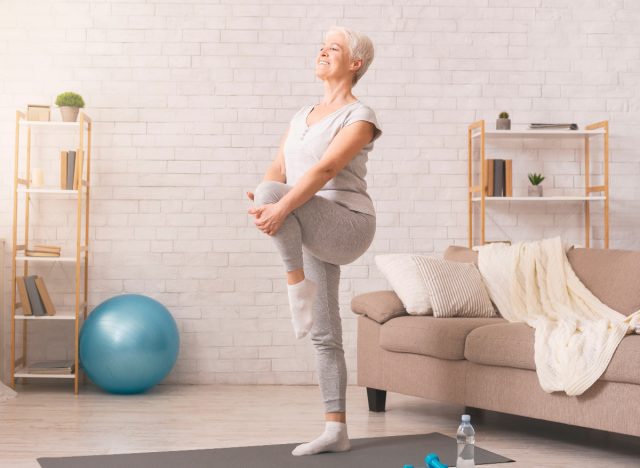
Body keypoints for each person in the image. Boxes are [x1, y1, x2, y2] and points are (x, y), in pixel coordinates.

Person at [247, 26, 381, 456]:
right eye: (321, 47)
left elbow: (325, 171)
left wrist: (278, 206)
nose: (323, 52)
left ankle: (294, 283)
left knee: (273, 196)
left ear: (354, 64)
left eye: (334, 48)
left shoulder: (360, 117)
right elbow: (277, 168)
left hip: (348, 223)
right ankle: (336, 430)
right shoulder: (301, 115)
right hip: (309, 220)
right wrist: (265, 205)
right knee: (325, 334)